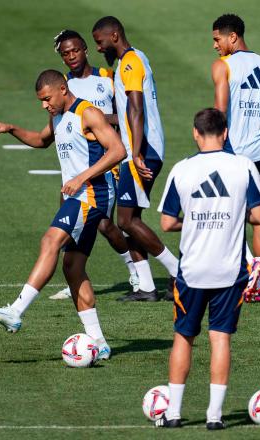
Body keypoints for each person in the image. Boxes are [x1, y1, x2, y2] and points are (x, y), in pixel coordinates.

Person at [0, 70, 126, 360]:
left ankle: (16, 311)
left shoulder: (89, 113)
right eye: (41, 101)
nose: (44, 105)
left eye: (47, 99)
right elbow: (40, 140)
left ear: (62, 89)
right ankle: (99, 343)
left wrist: (81, 177)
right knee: (72, 267)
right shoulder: (57, 116)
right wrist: (11, 128)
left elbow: (118, 150)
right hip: (80, 195)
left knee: (50, 241)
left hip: (93, 195)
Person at [154, 108, 260, 429]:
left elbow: (165, 222)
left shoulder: (182, 170)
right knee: (220, 340)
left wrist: (192, 219)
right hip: (229, 271)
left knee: (183, 337)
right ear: (226, 132)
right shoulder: (243, 166)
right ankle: (214, 417)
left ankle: (174, 414)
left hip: (191, 270)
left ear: (195, 133)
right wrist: (234, 216)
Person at [91, 16, 179, 302]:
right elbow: (127, 113)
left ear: (114, 35)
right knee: (131, 218)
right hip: (140, 148)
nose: (98, 48)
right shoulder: (133, 59)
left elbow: (136, 109)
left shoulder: (129, 62)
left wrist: (136, 152)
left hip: (141, 151)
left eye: (100, 41)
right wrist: (95, 119)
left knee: (126, 221)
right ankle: (146, 286)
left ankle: (179, 274)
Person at [49, 29, 140, 300]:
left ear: (85, 49)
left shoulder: (107, 78)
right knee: (73, 218)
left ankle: (134, 269)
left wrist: (97, 119)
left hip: (104, 162)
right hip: (76, 163)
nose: (71, 56)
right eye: (65, 54)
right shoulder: (63, 85)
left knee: (103, 225)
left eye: (75, 50)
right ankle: (74, 276)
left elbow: (124, 114)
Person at [211, 13, 260, 302]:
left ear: (232, 37)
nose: (215, 45)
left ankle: (246, 272)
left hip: (234, 153)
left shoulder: (223, 66)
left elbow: (220, 112)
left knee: (228, 216)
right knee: (259, 219)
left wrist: (215, 150)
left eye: (217, 39)